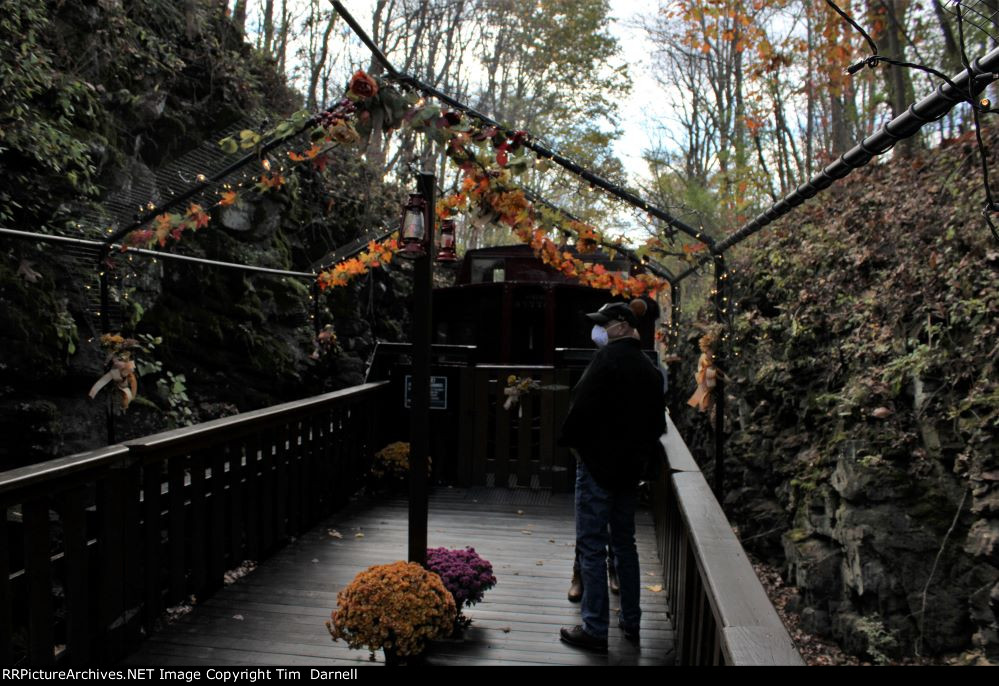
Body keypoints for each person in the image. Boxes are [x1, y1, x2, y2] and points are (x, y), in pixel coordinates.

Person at [557, 299, 666, 652]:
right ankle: (631, 622)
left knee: (591, 545)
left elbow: (579, 409)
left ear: (621, 325)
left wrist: (576, 448)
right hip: (629, 472)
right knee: (624, 544)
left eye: (604, 323)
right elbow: (656, 425)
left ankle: (595, 628)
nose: (599, 330)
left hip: (598, 469)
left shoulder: (605, 361)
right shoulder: (650, 370)